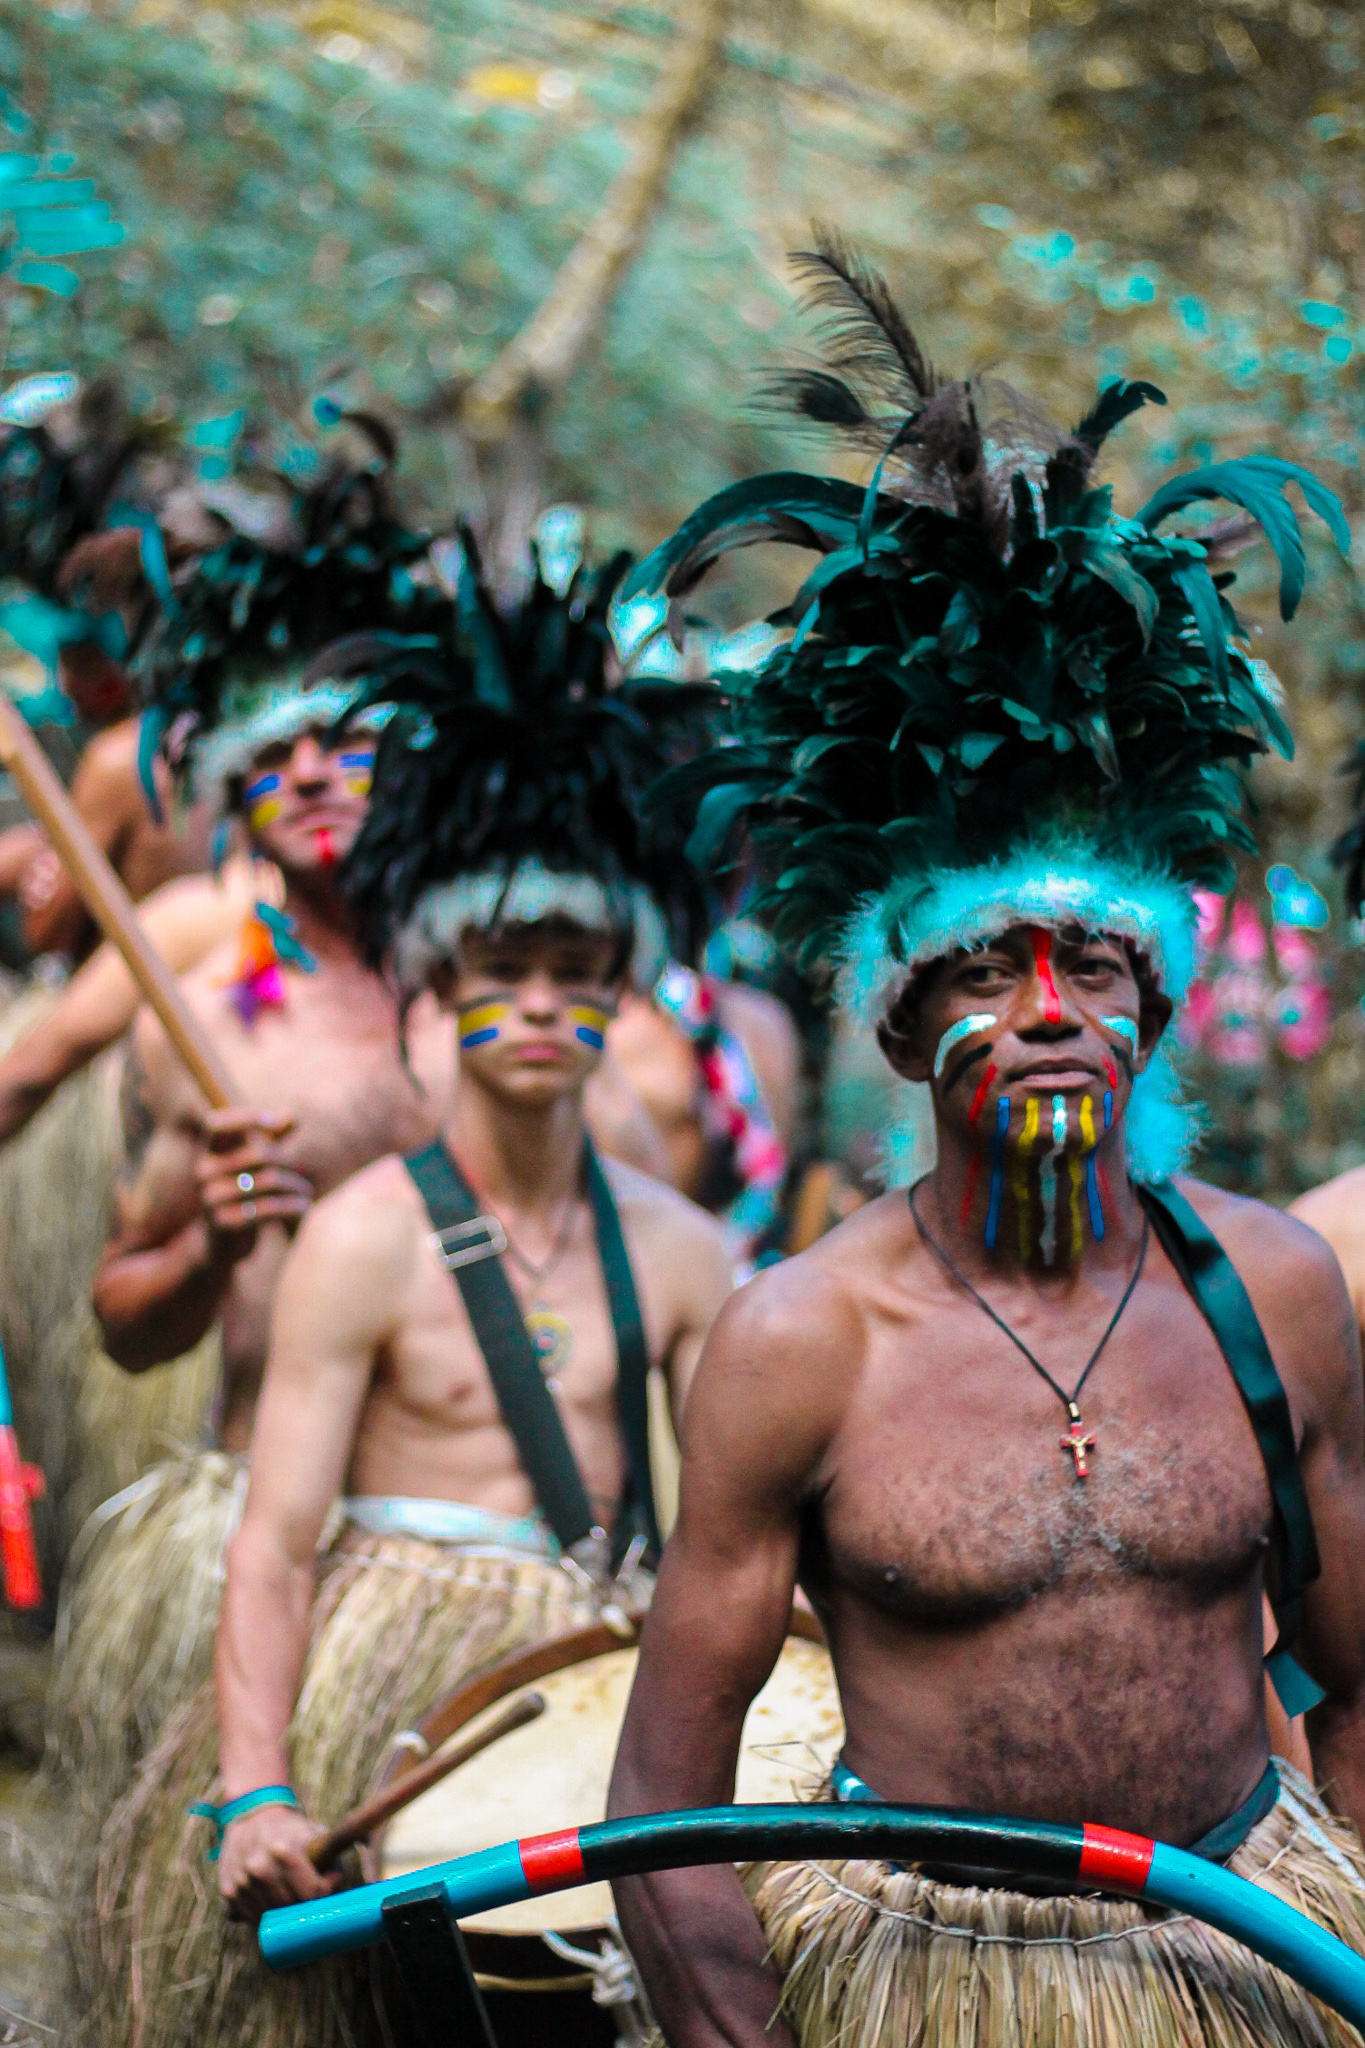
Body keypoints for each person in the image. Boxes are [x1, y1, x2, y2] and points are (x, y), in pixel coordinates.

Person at [608, 245, 1365, 2048]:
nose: (1046, 1008)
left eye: (1092, 960)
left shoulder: (1271, 1287)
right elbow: (663, 1799)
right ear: (892, 1022)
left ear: (1156, 1005)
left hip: (1239, 1947)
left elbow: (1359, 1675)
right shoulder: (801, 1338)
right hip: (928, 1973)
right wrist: (740, 2032)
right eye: (983, 968)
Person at [90, 535, 732, 2048]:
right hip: (385, 1685)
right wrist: (257, 1785)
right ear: (440, 976)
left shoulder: (686, 1250)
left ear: (618, 986)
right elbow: (273, 1543)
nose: (538, 998)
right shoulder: (366, 1238)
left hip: (586, 1678)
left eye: (577, 963)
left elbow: (737, 1544)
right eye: (502, 959)